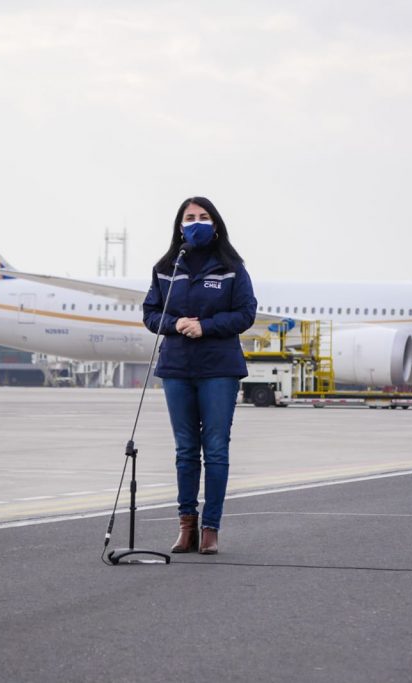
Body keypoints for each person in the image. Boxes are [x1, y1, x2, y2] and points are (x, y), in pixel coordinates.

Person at [142, 197, 257, 555]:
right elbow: (150, 313)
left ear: (216, 224)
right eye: (190, 217)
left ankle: (211, 529)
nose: (196, 222)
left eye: (203, 217)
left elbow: (246, 313)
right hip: (177, 368)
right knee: (186, 450)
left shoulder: (232, 268)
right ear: (179, 226)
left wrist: (205, 326)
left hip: (219, 368)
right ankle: (186, 526)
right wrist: (174, 323)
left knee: (217, 449)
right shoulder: (165, 267)